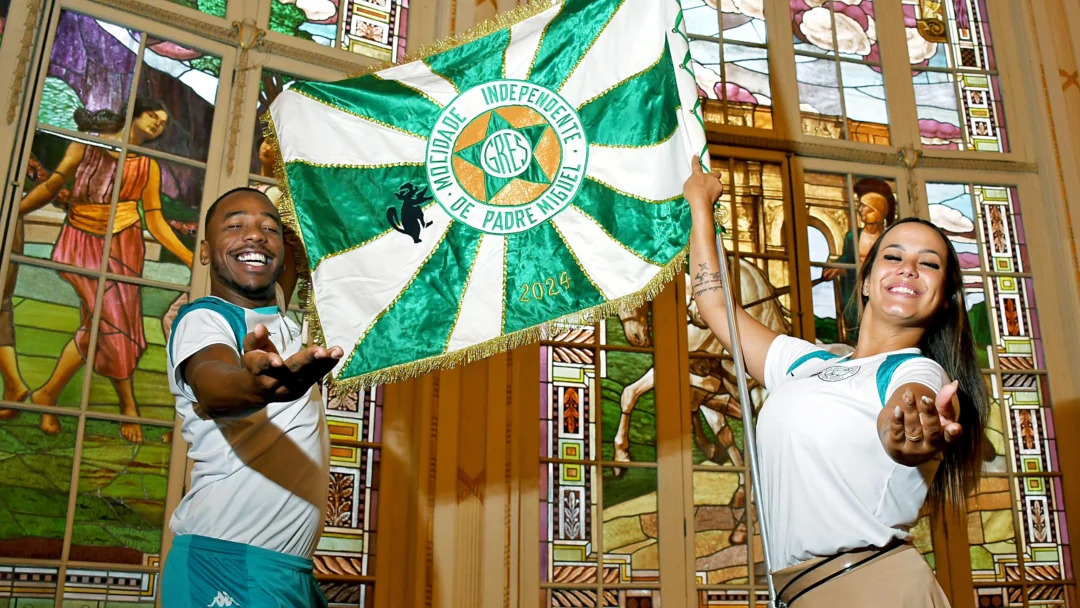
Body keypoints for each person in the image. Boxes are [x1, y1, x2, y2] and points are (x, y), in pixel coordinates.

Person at [685, 158, 986, 606]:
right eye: (893, 256)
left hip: (876, 589)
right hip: (803, 594)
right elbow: (714, 304)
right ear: (864, 282)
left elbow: (911, 405)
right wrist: (700, 206)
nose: (908, 269)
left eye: (928, 264)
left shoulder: (916, 372)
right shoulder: (804, 364)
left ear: (943, 301)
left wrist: (912, 428)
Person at [161, 187, 341, 607]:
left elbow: (292, 261)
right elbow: (213, 381)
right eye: (235, 225)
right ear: (205, 251)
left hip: (286, 572)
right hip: (227, 563)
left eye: (268, 228)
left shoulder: (275, 316)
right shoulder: (205, 317)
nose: (255, 235)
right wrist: (254, 387)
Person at [0, 99, 193, 443]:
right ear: (135, 111)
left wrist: (189, 257)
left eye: (163, 123)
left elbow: (156, 220)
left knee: (105, 326)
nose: (156, 124)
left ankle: (49, 396)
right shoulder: (86, 144)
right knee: (111, 323)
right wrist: (14, 210)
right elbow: (51, 186)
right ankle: (125, 407)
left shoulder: (148, 166)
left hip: (124, 245)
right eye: (152, 115)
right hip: (82, 244)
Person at [821, 178, 898, 342]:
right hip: (856, 290)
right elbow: (847, 259)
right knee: (856, 325)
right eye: (861, 206)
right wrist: (836, 267)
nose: (860, 210)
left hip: (882, 291)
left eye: (866, 207)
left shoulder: (889, 238)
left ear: (877, 211)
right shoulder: (853, 236)